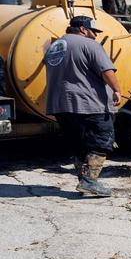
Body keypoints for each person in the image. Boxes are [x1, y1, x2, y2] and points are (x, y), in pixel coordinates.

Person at [45, 15, 122, 197]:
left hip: (60, 104)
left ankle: (84, 181)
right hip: (88, 103)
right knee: (102, 139)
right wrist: (116, 89)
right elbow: (106, 70)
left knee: (78, 143)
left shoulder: (54, 46)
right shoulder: (90, 45)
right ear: (82, 29)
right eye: (92, 31)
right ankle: (90, 182)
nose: (94, 36)